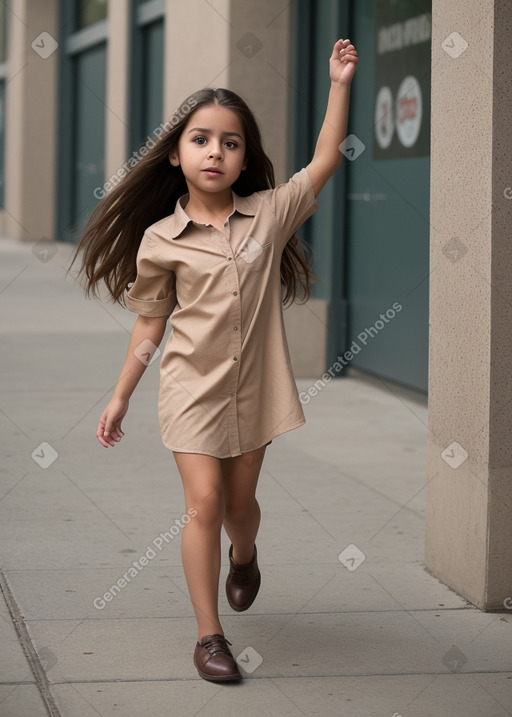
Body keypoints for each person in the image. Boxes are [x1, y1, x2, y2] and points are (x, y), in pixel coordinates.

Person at [68, 37, 358, 683]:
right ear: (175, 153)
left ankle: (245, 555)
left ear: (243, 157)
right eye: (201, 139)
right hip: (189, 389)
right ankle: (210, 637)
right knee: (202, 504)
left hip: (255, 389)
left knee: (237, 508)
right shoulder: (160, 240)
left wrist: (338, 83)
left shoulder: (270, 214)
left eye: (230, 142)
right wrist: (120, 395)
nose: (215, 151)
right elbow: (150, 324)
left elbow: (325, 159)